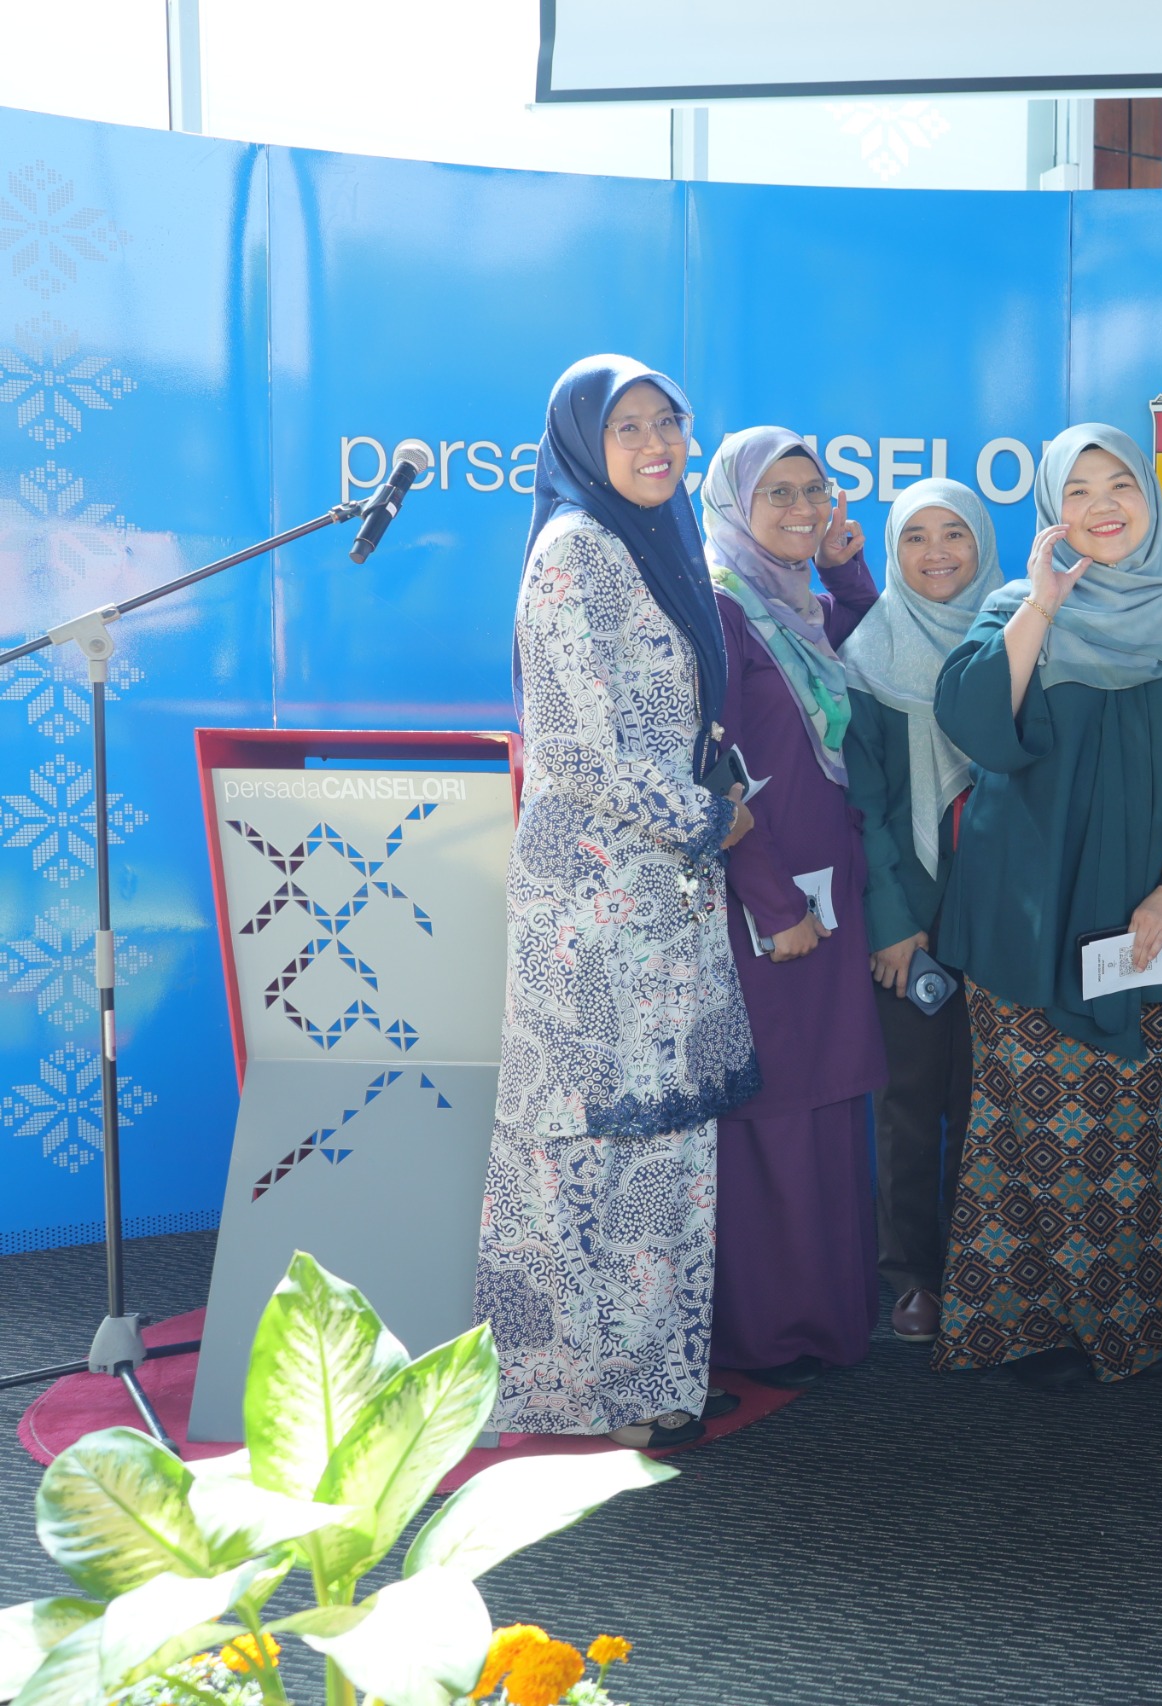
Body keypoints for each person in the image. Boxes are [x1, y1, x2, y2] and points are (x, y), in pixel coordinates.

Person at [928, 423, 1162, 1388]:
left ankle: (1139, 1324)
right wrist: (1043, 605)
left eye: (1119, 482)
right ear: (1051, 511)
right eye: (1075, 491)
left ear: (1151, 497)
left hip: (1145, 915)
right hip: (1024, 917)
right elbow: (975, 725)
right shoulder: (1013, 608)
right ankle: (1021, 1326)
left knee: (1139, 1118)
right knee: (1025, 1124)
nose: (1102, 505)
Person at [473, 355, 759, 1450]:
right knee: (586, 1145)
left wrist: (705, 812)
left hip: (661, 892)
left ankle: (654, 1376)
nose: (655, 444)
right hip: (593, 906)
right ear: (583, 444)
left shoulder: (656, 540)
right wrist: (707, 816)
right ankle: (580, 1390)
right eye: (627, 426)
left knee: (665, 1140)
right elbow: (575, 747)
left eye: (667, 422)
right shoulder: (576, 549)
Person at [696, 426, 887, 1388]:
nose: (803, 509)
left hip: (831, 889)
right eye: (778, 493)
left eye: (814, 490)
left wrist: (849, 579)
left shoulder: (799, 606)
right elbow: (716, 775)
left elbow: (870, 673)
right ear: (734, 504)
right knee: (773, 1106)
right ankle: (768, 1333)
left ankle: (829, 1315)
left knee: (828, 1091)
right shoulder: (721, 612)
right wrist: (772, 906)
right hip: (763, 904)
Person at [841, 477, 1004, 1346]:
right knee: (909, 1105)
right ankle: (913, 1276)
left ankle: (985, 1268)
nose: (936, 553)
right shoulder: (867, 653)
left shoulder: (1024, 635)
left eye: (955, 534)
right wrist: (892, 924)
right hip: (909, 919)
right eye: (915, 537)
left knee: (995, 1101)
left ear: (983, 543)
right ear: (893, 551)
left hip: (1008, 917)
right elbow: (861, 806)